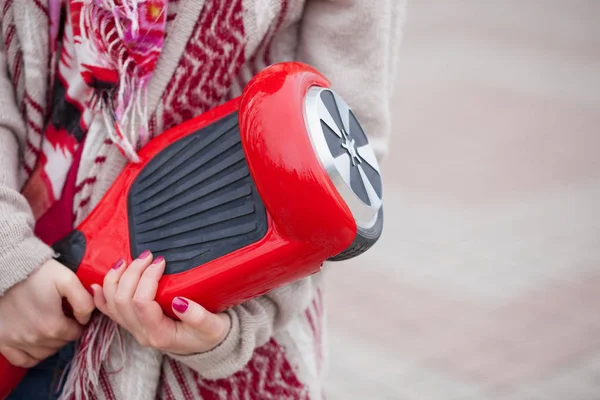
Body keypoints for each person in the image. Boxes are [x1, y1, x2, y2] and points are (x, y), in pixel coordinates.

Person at [0, 0, 405, 398]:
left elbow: (341, 170)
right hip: (16, 298)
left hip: (195, 356)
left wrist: (232, 330)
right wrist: (9, 257)